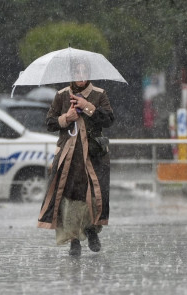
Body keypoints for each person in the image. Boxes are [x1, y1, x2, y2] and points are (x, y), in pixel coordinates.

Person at [37, 58, 115, 256]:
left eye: (84, 72)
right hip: (69, 157)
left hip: (93, 157)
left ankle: (91, 230)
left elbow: (108, 120)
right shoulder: (62, 96)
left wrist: (88, 106)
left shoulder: (99, 95)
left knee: (93, 196)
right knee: (69, 197)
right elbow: (49, 123)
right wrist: (67, 118)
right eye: (77, 73)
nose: (80, 77)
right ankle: (73, 240)